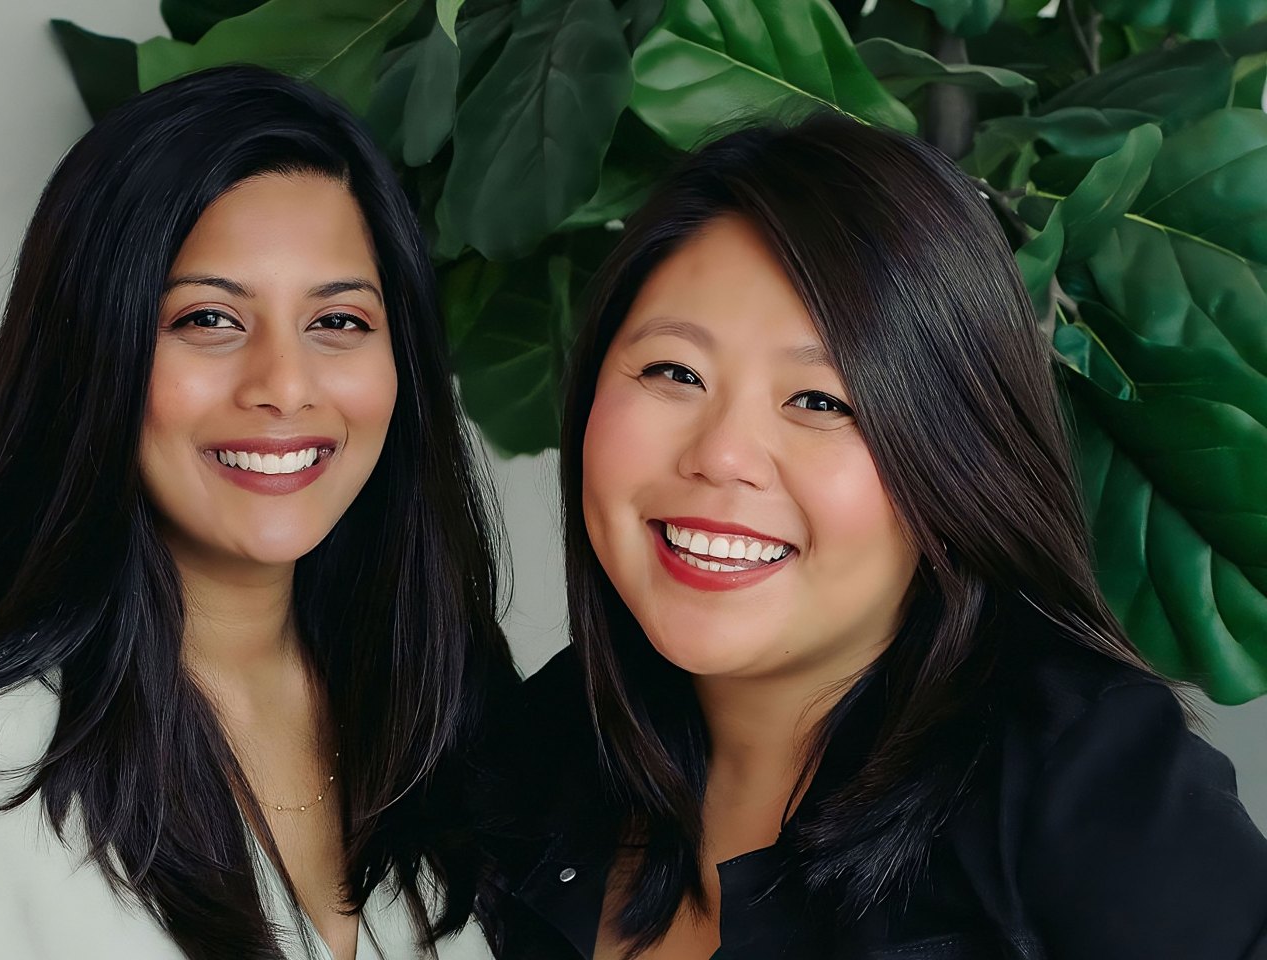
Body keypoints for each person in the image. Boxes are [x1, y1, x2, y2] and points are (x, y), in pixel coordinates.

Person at [484, 115, 1267, 959]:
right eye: (676, 372)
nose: (722, 457)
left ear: (951, 454)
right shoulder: (542, 748)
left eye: (821, 401)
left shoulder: (1083, 783)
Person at [0, 65, 512, 960]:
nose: (285, 386)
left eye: (339, 321)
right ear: (94, 350)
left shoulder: (449, 740)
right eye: (208, 320)